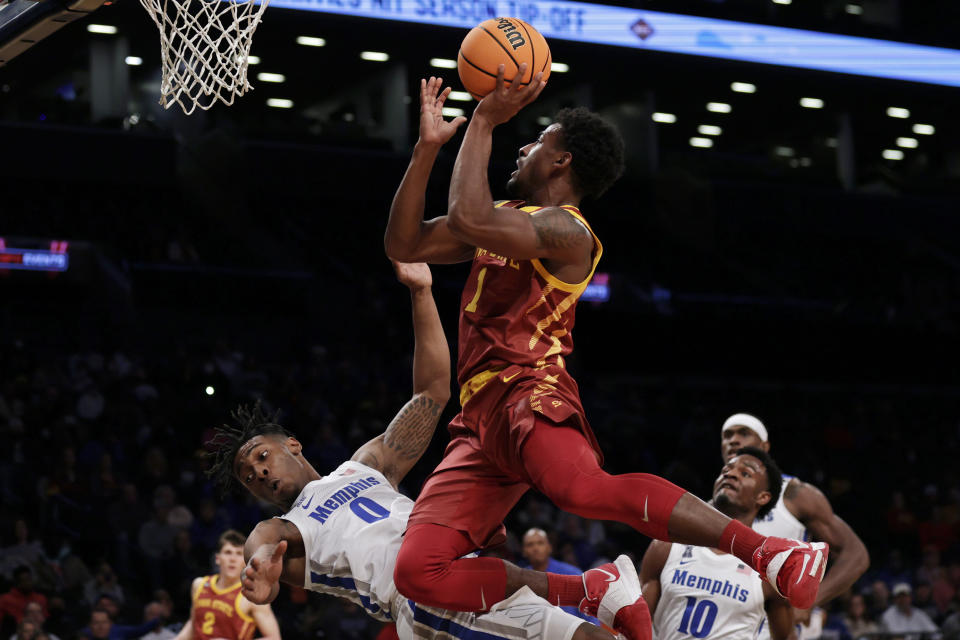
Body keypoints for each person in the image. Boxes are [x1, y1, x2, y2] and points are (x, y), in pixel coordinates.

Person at [382, 68, 828, 637]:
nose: (523, 148)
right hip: (477, 420)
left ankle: (770, 553)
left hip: (527, 390)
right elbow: (404, 244)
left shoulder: (572, 234)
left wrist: (486, 120)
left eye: (537, 140)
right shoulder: (505, 219)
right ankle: (588, 589)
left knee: (581, 490)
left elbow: (469, 216)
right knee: (418, 573)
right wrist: (425, 150)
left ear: (562, 160)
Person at [209, 262, 632, 640]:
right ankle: (597, 587)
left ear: (293, 444)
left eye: (261, 456)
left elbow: (431, 391)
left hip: (457, 575)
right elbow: (262, 542)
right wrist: (260, 567)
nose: (258, 473)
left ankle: (600, 589)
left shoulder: (364, 466)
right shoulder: (287, 527)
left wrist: (421, 292)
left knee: (578, 633)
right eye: (248, 476)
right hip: (424, 603)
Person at [640, 447, 795, 640]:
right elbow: (635, 624)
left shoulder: (769, 570)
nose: (731, 474)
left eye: (745, 473)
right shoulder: (666, 546)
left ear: (762, 497)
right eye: (726, 470)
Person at [720, 413, 869, 610]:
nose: (734, 440)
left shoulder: (794, 493)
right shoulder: (717, 499)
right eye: (727, 435)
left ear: (765, 446)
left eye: (744, 433)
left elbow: (855, 554)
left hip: (774, 626)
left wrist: (811, 601)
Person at [173, 530, 280, 640]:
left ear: (245, 562)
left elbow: (274, 637)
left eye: (238, 554)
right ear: (217, 559)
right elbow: (193, 624)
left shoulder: (252, 595)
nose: (232, 559)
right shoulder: (199, 584)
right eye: (228, 552)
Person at [520, 528, 599, 624]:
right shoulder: (519, 579)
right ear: (524, 551)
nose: (535, 548)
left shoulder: (571, 573)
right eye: (530, 545)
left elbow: (591, 613)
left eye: (540, 543)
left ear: (549, 548)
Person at [80, 608, 160, 640]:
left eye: (104, 622)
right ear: (90, 625)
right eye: (96, 623)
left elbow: (140, 630)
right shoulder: (83, 636)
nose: (101, 627)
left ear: (111, 624)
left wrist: (157, 619)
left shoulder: (118, 631)